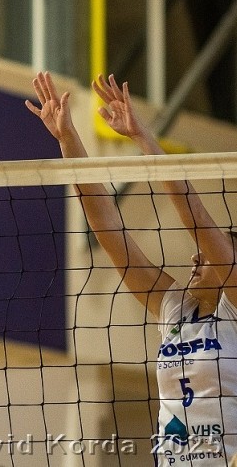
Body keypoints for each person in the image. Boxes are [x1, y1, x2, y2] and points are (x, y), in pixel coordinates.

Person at [27, 72, 237, 466]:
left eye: (209, 254)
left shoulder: (234, 309)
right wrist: (68, 139)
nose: (195, 258)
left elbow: (197, 219)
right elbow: (110, 231)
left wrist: (145, 139)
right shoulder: (175, 308)